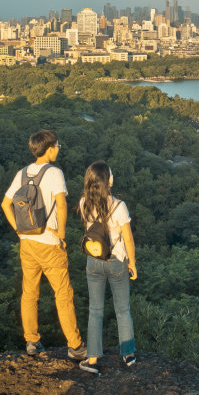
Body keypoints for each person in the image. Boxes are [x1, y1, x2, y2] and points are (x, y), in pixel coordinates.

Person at [1, 129, 86, 359]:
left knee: (29, 294)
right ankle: (75, 346)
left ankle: (32, 342)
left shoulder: (22, 173)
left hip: (27, 243)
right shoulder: (54, 172)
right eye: (57, 146)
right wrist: (62, 232)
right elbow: (61, 203)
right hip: (49, 243)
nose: (58, 149)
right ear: (49, 148)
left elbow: (5, 204)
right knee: (63, 294)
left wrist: (19, 231)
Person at [78, 160, 137, 374]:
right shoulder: (119, 206)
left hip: (93, 261)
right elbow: (128, 239)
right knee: (122, 309)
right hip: (116, 262)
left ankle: (92, 359)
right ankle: (128, 355)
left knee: (95, 310)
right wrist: (132, 262)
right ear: (108, 181)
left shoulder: (84, 202)